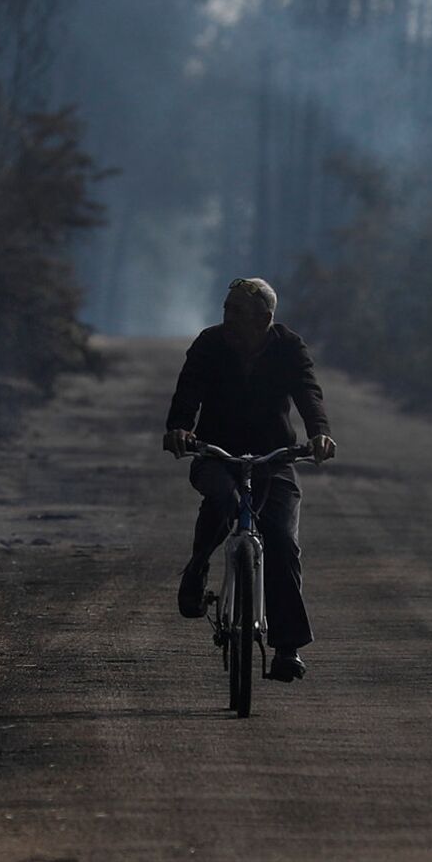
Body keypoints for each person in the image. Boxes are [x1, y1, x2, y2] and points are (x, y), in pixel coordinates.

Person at [162, 276, 337, 682]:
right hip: (215, 455)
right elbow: (188, 391)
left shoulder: (288, 347)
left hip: (273, 459)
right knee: (224, 500)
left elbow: (308, 392)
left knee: (282, 540)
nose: (227, 317)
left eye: (236, 311)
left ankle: (287, 648)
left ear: (264, 319)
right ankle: (197, 568)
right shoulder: (209, 344)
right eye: (226, 309)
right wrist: (180, 429)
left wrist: (319, 434)